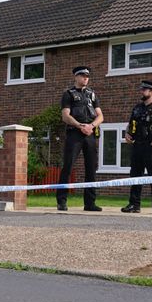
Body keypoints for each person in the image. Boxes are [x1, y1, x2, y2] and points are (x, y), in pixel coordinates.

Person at [56, 66, 104, 212]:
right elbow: (65, 116)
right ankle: (62, 201)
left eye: (87, 76)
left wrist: (91, 126)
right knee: (68, 166)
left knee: (91, 168)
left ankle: (90, 203)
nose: (85, 78)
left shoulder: (92, 94)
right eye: (83, 76)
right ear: (76, 77)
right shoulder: (68, 94)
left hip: (89, 133)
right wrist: (79, 126)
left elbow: (100, 116)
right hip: (75, 134)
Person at [122, 80, 152, 213]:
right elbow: (131, 124)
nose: (141, 92)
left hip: (151, 145)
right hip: (137, 145)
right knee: (135, 175)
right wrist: (128, 134)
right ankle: (134, 205)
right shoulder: (137, 107)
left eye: (144, 90)